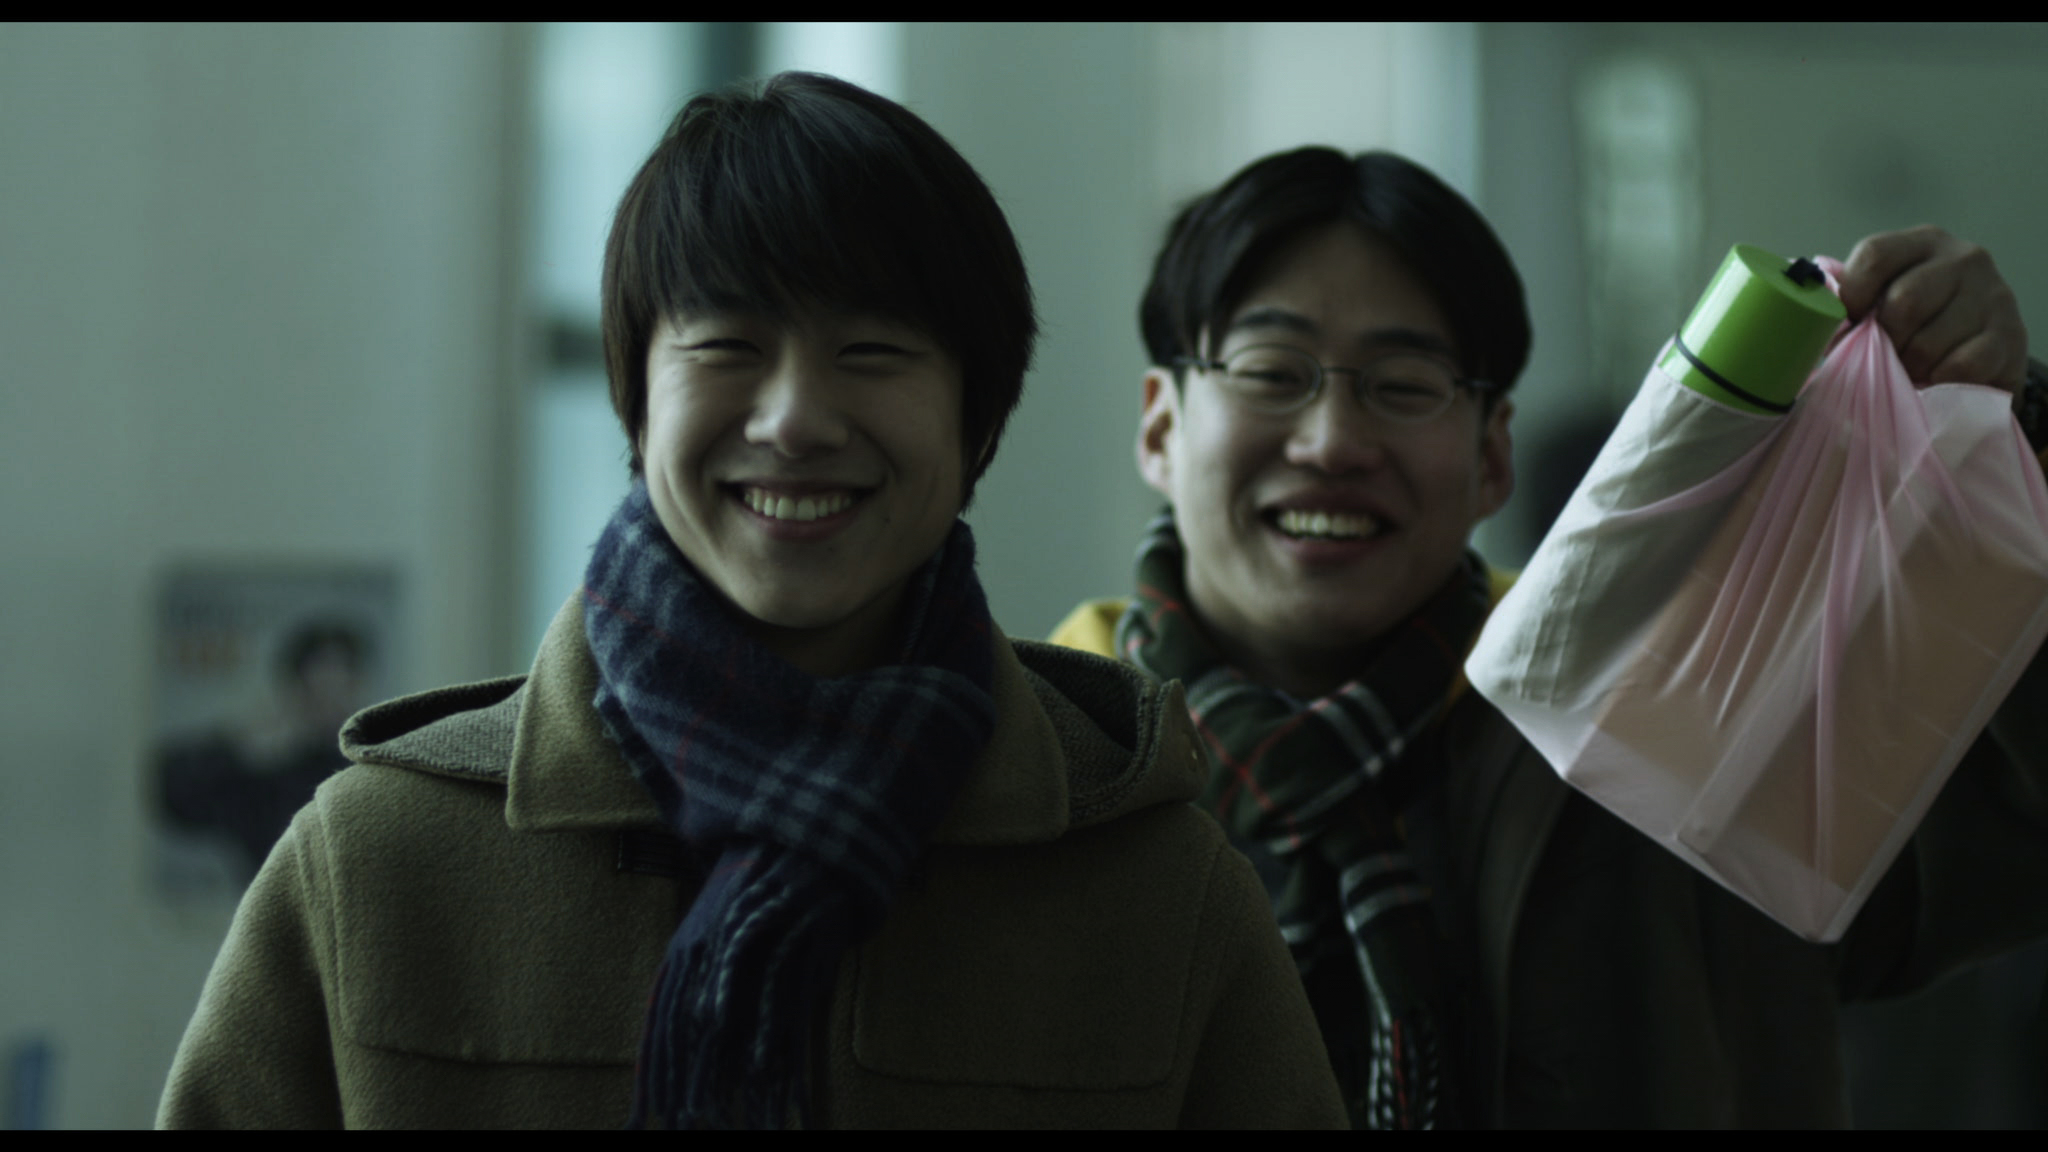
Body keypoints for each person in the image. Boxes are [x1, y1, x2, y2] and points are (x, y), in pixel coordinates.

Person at [157, 74, 1345, 1130]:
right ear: (635, 401)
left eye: (871, 353)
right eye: (726, 345)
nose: (793, 420)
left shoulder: (1150, 882)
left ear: (975, 418)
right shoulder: (381, 859)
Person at [1050, 145, 2048, 1128]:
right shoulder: (1038, 779)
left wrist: (2015, 435)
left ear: (1493, 457)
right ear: (1160, 427)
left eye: (1406, 384)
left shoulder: (1680, 708)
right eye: (1271, 372)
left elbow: (2004, 843)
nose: (1333, 442)